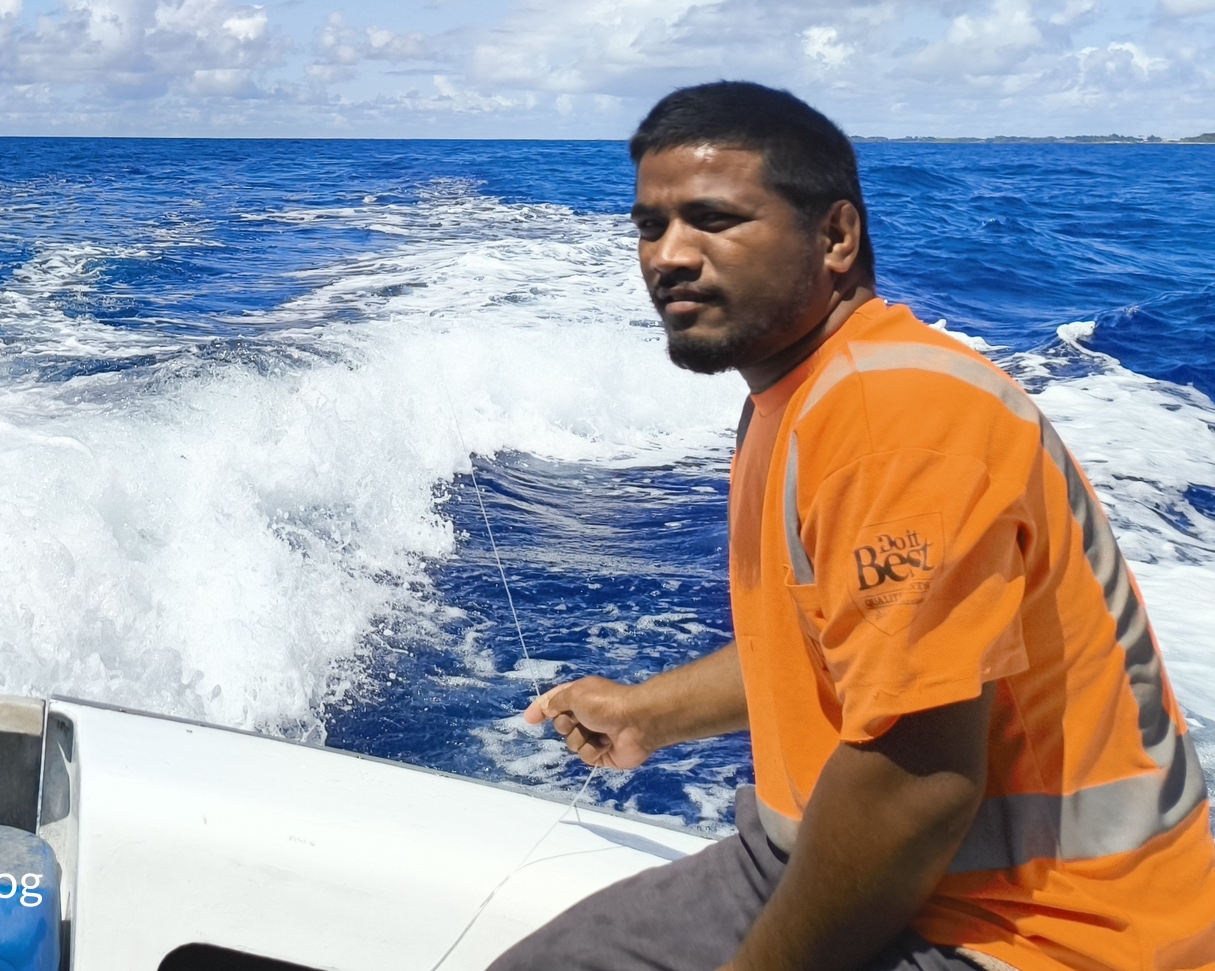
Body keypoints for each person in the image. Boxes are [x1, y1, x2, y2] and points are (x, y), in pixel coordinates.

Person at [501, 82, 1214, 971]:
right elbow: (834, 648)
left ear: (836, 236)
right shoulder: (794, 396)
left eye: (713, 219)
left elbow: (915, 791)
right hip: (833, 861)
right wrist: (648, 712)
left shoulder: (889, 421)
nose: (668, 256)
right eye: (650, 225)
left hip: (1039, 932)